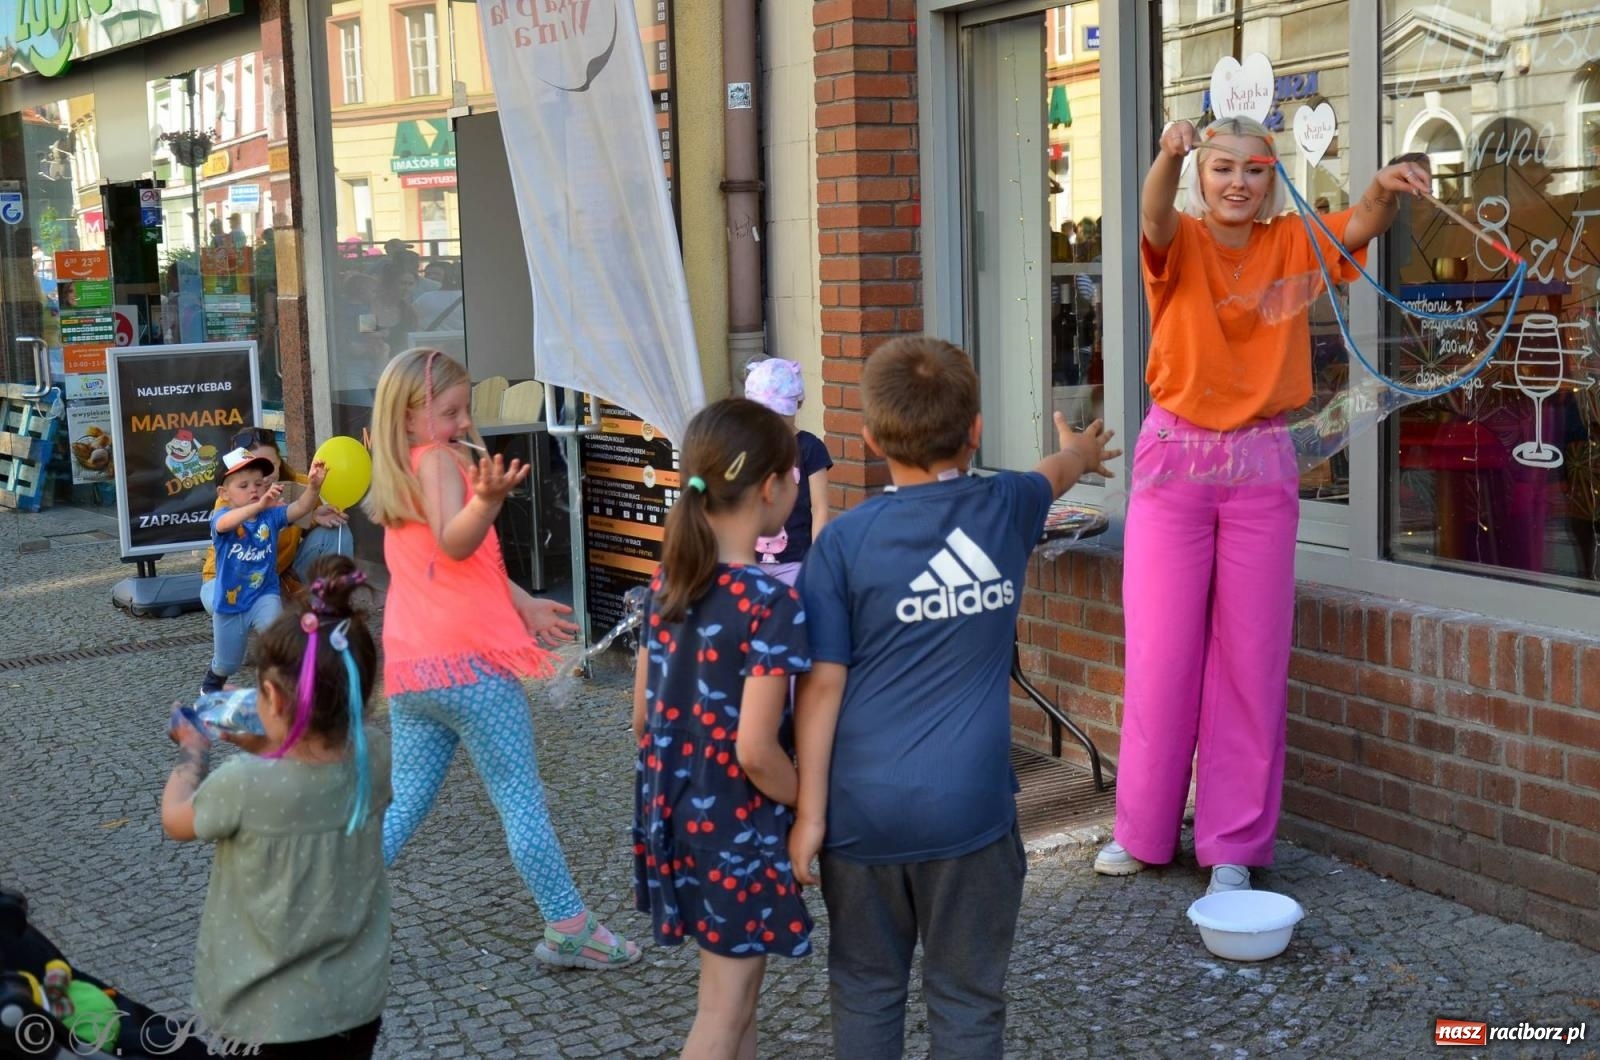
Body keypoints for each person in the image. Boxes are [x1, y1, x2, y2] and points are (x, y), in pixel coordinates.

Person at [1094, 116, 1430, 895]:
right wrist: (1167, 155)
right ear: (1201, 179)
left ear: (1271, 178)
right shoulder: (1177, 239)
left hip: (1260, 463)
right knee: (1160, 655)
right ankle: (1141, 832)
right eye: (1221, 169)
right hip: (1175, 461)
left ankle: (1233, 847)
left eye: (1252, 169)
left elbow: (1364, 223)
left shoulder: (1292, 240)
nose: (1237, 182)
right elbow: (1149, 215)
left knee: (1251, 660)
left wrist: (1380, 187)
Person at [791, 337, 1118, 1059]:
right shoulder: (1005, 507)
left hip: (861, 814)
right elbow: (1054, 473)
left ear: (871, 438)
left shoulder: (841, 545)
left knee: (867, 988)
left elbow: (819, 689)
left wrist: (808, 815)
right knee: (968, 1001)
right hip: (972, 814)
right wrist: (1083, 450)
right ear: (975, 429)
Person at [364, 347, 639, 971]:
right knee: (520, 798)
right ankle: (570, 926)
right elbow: (457, 543)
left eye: (464, 411)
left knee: (405, 801)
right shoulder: (437, 462)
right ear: (409, 417)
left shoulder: (404, 467)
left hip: (414, 671)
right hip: (469, 670)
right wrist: (485, 502)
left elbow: (461, 568)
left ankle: (324, 906)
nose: (463, 423)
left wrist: (524, 604)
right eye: (450, 411)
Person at [632, 397, 814, 1059]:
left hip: (676, 816)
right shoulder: (771, 601)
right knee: (724, 1007)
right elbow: (757, 750)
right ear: (770, 488)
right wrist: (809, 802)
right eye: (794, 475)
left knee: (735, 1001)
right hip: (739, 828)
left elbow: (641, 719)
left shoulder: (670, 583)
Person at [162, 556, 390, 1058]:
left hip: (267, 1016)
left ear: (269, 695)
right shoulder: (376, 756)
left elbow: (177, 819)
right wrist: (259, 741)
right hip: (356, 1004)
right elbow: (308, 763)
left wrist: (193, 751)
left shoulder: (242, 784)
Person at [200, 446, 328, 695]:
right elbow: (225, 524)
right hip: (230, 601)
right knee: (228, 663)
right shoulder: (222, 515)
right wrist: (259, 507)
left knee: (279, 641)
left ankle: (291, 687)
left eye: (259, 484)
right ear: (224, 493)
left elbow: (300, 509)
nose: (254, 490)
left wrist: (314, 487)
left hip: (264, 594)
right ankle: (213, 682)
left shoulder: (270, 516)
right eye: (244, 485)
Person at [200, 426, 352, 618]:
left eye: (268, 465)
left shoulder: (303, 484)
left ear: (280, 462)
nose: (262, 477)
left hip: (278, 577)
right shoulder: (232, 496)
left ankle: (330, 606)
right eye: (252, 470)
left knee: (336, 529)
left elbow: (298, 516)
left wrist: (314, 517)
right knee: (222, 601)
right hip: (228, 578)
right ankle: (259, 617)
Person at [742, 357, 832, 585]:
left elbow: (820, 507)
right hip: (749, 559)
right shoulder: (746, 447)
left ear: (797, 405)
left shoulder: (809, 447)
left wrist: (818, 559)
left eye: (781, 414)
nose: (774, 422)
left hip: (796, 560)